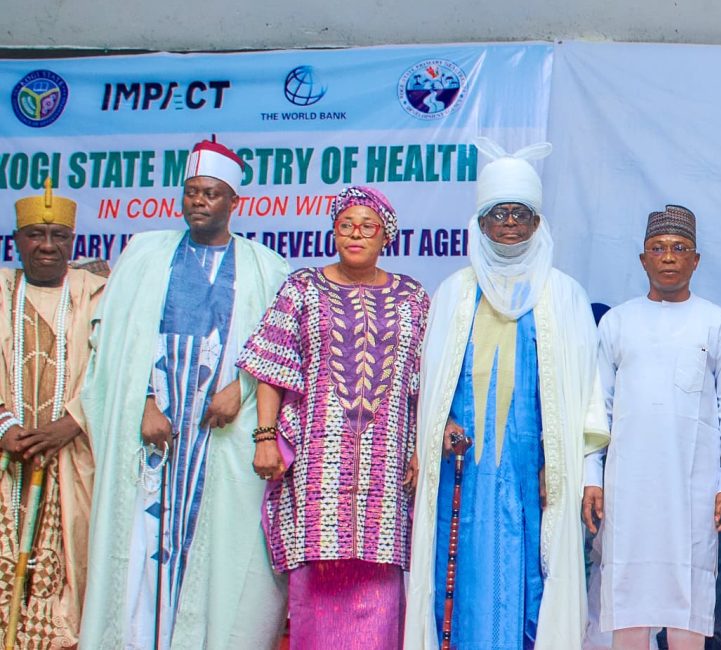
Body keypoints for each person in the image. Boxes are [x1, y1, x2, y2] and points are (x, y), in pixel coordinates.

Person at [78, 137, 290, 649]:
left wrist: (240, 389)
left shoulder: (267, 266)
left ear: (233, 201)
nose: (198, 201)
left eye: (211, 193)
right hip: (155, 432)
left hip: (223, 431)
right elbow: (114, 341)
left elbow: (282, 349)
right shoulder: (145, 252)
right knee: (142, 540)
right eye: (191, 191)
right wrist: (143, 403)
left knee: (219, 548)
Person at [403, 140, 607, 649]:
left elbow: (585, 394)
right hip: (463, 473)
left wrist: (564, 465)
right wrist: (440, 426)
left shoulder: (564, 294)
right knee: (461, 580)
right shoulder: (454, 292)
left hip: (536, 476)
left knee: (536, 577)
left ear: (538, 222)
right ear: (481, 223)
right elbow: (431, 385)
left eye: (520, 213)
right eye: (499, 213)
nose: (510, 223)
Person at [238, 186, 429, 649]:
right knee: (318, 580)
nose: (355, 234)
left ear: (386, 236)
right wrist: (265, 437)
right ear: (334, 232)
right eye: (346, 225)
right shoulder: (302, 288)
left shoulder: (412, 297)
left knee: (380, 585)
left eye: (367, 226)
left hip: (387, 466)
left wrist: (419, 450)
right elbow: (272, 367)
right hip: (316, 463)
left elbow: (427, 382)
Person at [583, 205, 721, 650]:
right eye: (658, 248)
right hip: (627, 489)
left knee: (689, 600)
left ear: (696, 260)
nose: (668, 257)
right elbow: (597, 408)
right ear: (643, 259)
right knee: (627, 596)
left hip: (694, 490)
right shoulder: (617, 322)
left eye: (679, 248)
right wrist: (591, 477)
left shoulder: (718, 323)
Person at [0, 179, 106, 648]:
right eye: (35, 235)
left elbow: (115, 370)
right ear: (16, 241)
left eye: (58, 236)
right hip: (8, 458)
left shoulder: (98, 294)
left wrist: (70, 424)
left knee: (70, 579)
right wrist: (5, 425)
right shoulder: (2, 289)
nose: (47, 246)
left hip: (74, 458)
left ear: (72, 241)